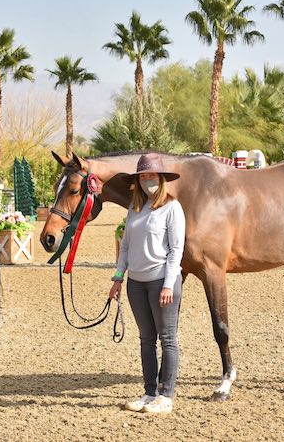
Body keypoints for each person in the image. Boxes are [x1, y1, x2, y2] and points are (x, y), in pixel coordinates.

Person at [108, 153, 185, 414]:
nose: (147, 179)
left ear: (161, 178)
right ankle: (149, 391)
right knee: (146, 340)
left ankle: (166, 395)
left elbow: (176, 249)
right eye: (142, 176)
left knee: (168, 338)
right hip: (136, 284)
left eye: (151, 175)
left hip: (161, 281)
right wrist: (118, 277)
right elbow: (126, 246)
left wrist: (168, 284)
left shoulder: (172, 208)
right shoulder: (134, 208)